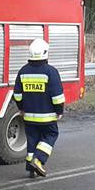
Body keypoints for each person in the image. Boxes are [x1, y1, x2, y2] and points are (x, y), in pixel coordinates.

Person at [12, 38, 65, 178]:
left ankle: (31, 167)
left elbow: (17, 94)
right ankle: (39, 159)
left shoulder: (22, 71)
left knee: (32, 139)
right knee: (51, 135)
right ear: (45, 53)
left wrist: (21, 108)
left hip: (28, 116)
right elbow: (57, 96)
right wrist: (59, 111)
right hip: (47, 117)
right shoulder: (51, 72)